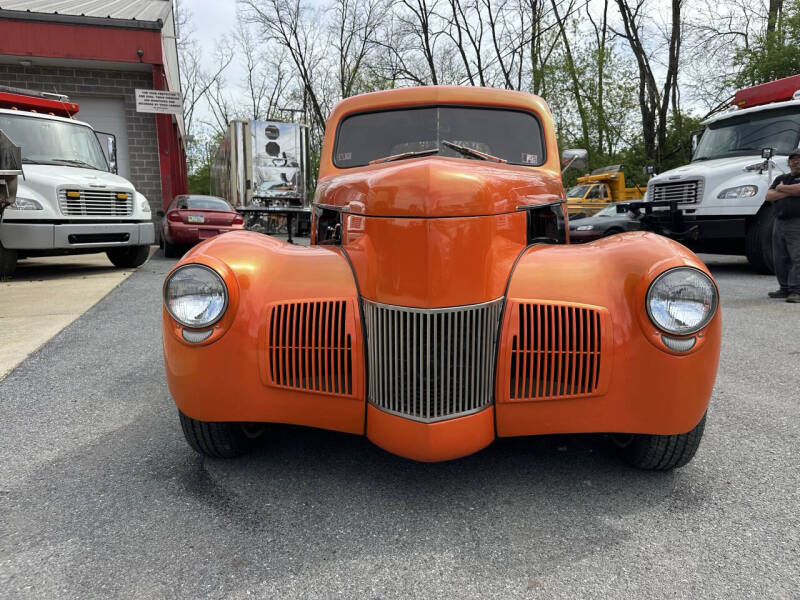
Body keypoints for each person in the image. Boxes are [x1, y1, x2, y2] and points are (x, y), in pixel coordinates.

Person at [766, 151, 800, 303]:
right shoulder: (781, 178)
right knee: (780, 258)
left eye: (799, 160)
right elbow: (769, 196)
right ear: (788, 163)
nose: (795, 162)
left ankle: (797, 291)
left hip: (796, 222)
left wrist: (781, 189)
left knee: (797, 257)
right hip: (779, 222)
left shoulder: (781, 183)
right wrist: (790, 191)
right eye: (792, 160)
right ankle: (784, 288)